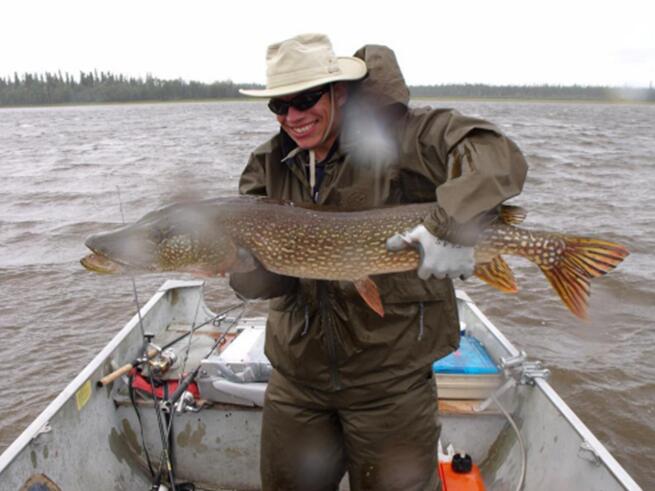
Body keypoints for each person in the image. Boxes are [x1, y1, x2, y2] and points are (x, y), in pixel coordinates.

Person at [230, 33, 527, 491]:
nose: (293, 116)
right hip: (297, 383)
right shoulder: (268, 165)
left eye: (306, 98)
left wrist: (446, 224)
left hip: (392, 383)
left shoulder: (407, 136)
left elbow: (495, 155)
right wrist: (245, 271)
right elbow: (271, 285)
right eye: (278, 105)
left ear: (339, 91)